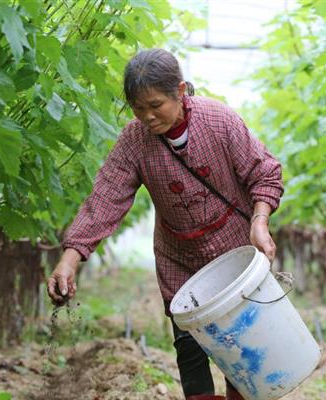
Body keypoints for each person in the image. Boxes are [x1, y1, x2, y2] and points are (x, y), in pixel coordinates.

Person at [47, 48, 283, 400]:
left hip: (235, 249)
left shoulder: (218, 121)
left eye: (155, 105)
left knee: (242, 340)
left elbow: (264, 172)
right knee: (189, 347)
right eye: (138, 108)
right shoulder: (134, 140)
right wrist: (69, 259)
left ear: (181, 91)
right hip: (179, 256)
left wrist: (260, 221)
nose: (147, 116)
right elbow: (106, 198)